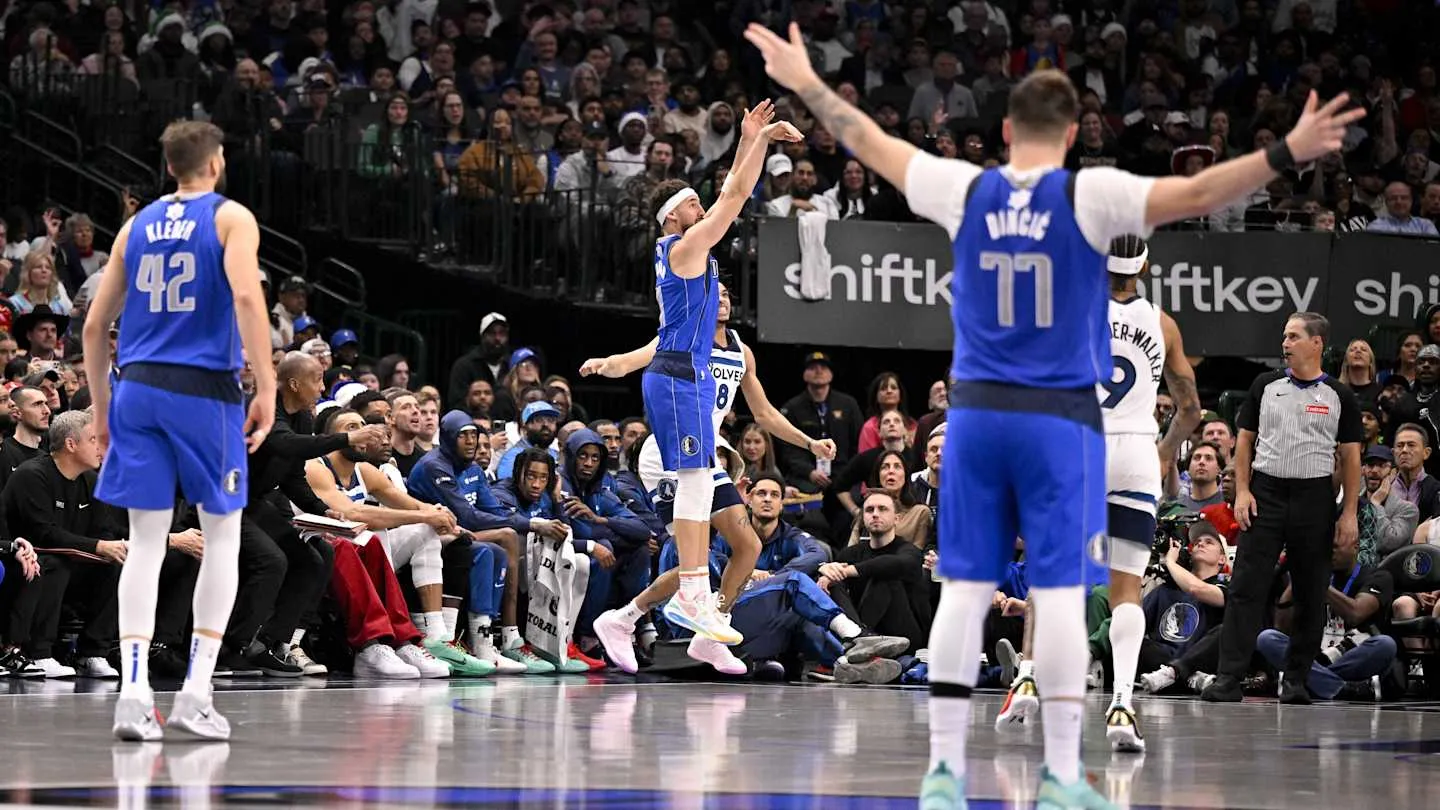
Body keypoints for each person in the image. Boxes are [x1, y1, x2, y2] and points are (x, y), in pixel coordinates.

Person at [743, 22, 1361, 808]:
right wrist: (1289, 148)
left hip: (973, 418)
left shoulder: (965, 187)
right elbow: (1200, 192)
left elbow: (864, 136)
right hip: (1057, 423)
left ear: (1004, 131)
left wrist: (806, 77)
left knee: (964, 593)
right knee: (1065, 598)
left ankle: (942, 775)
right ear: (1073, 135)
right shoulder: (1092, 196)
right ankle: (1065, 774)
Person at [578, 100, 802, 662]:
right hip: (678, 380)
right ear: (675, 218)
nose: (704, 209)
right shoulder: (682, 249)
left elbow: (729, 194)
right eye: (693, 205)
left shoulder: (691, 255)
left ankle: (700, 611)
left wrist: (752, 141)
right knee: (699, 483)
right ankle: (696, 596)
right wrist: (756, 140)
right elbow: (733, 197)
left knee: (710, 492)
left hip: (687, 379)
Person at [84, 121, 276, 742]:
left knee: (146, 542)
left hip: (136, 387)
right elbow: (248, 300)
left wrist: (101, 408)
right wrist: (268, 385)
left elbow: (93, 328)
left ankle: (133, 692)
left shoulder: (133, 228)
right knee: (222, 539)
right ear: (215, 163)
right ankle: (196, 692)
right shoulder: (230, 218)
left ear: (169, 167)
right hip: (202, 392)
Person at [996, 234, 1202, 754]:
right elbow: (1191, 409)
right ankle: (1123, 707)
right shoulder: (1164, 324)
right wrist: (1164, 450)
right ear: (1145, 266)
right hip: (1135, 452)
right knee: (1127, 587)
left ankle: (1027, 676)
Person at [580, 281, 836, 674]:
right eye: (713, 295)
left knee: (747, 546)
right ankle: (624, 619)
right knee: (693, 559)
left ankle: (710, 631)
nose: (723, 301)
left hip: (704, 452)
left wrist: (810, 444)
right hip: (668, 452)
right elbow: (636, 359)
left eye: (728, 295)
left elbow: (764, 413)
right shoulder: (681, 335)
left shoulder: (740, 349)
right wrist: (606, 364)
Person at [1202, 313, 1363, 705]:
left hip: (1314, 498)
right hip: (1266, 492)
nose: (1285, 343)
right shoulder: (1265, 385)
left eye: (1293, 336)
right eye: (1284, 336)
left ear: (1316, 343)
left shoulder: (1339, 395)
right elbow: (1244, 442)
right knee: (1245, 588)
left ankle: (1295, 680)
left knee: (1309, 592)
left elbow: (1351, 458)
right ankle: (1228, 679)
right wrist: (1242, 491)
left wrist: (1349, 514)